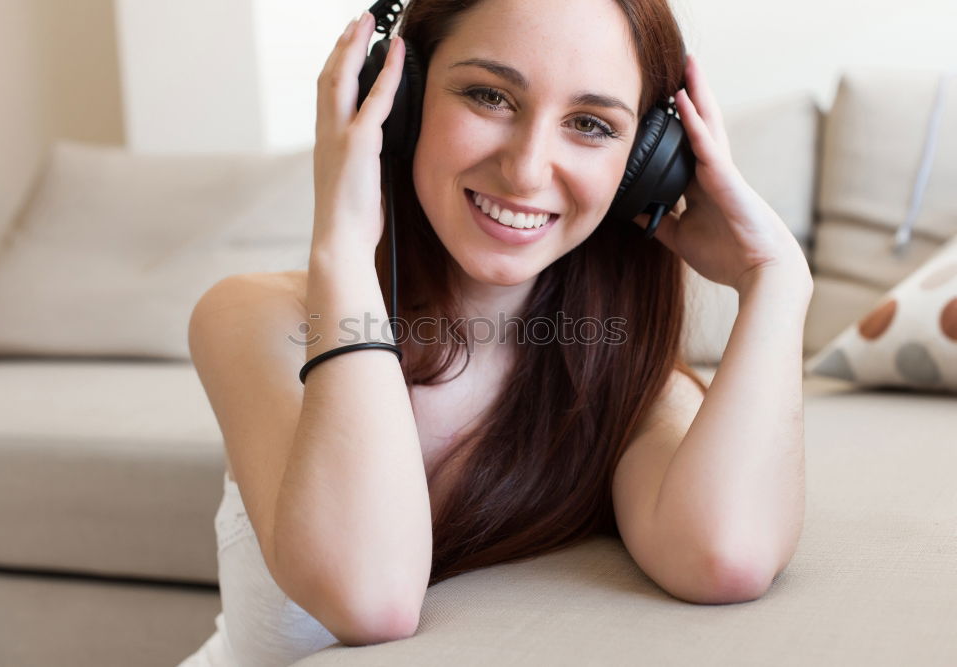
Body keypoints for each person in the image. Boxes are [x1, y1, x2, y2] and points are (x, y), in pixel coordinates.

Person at [178, 0, 814, 664]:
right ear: (397, 97)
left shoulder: (627, 388)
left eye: (591, 124)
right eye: (489, 95)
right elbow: (369, 598)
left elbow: (725, 555)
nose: (526, 170)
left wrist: (775, 279)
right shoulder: (255, 317)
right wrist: (340, 246)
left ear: (646, 168)